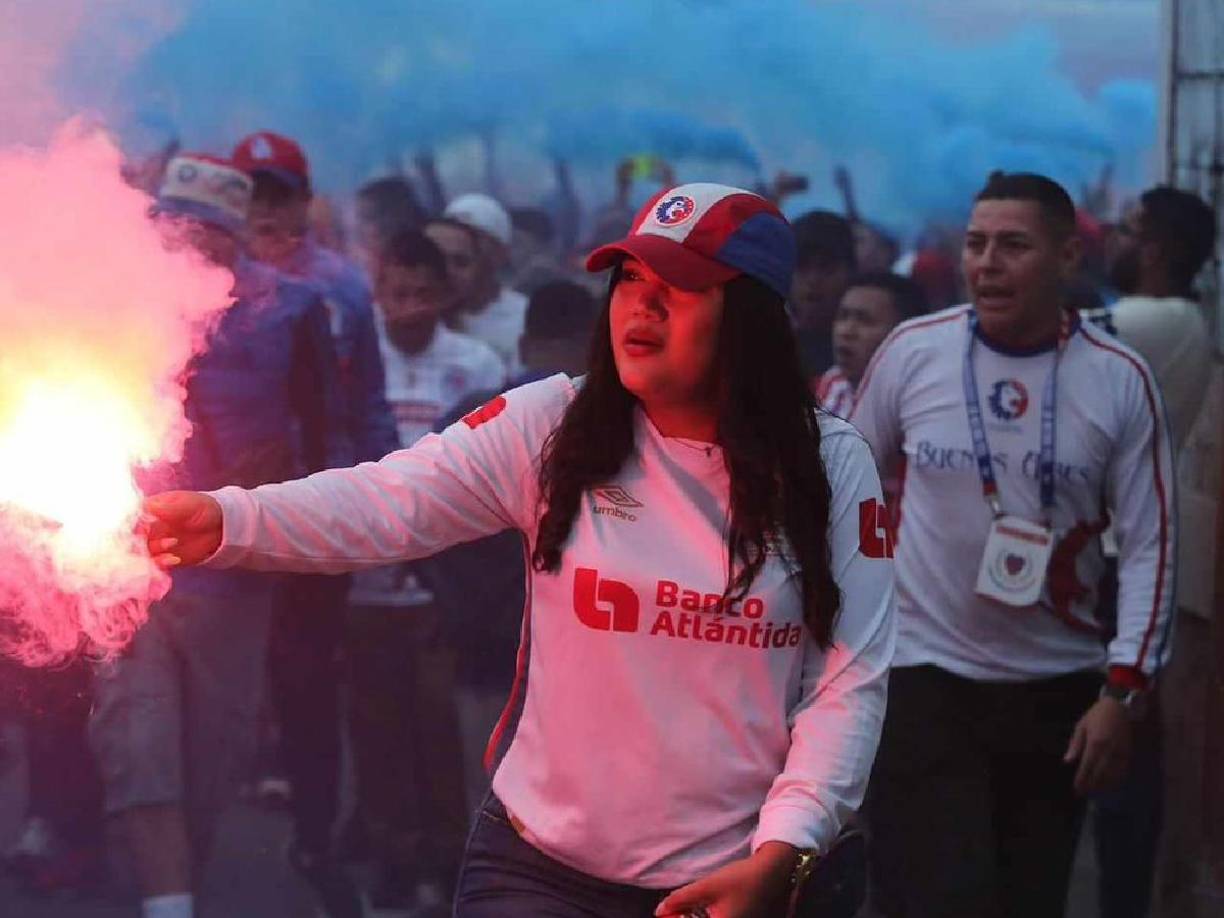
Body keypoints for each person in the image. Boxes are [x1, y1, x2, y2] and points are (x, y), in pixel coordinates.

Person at [143, 182, 896, 918]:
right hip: (537, 873)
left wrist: (784, 854)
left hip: (729, 884)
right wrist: (224, 520)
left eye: (683, 287)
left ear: (754, 321)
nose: (643, 303)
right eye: (631, 278)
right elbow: (388, 501)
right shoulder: (554, 423)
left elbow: (847, 682)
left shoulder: (831, 465)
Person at [852, 172, 1176, 918]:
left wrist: (1123, 694)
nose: (987, 263)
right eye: (976, 244)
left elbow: (1154, 544)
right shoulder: (913, 352)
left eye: (1013, 246)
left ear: (1067, 259)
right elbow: (845, 488)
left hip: (1057, 693)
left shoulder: (1119, 379)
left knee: (1029, 898)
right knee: (940, 894)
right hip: (924, 676)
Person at [90, 153, 343, 918]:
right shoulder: (106, 299)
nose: (185, 246)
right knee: (138, 746)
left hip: (235, 569)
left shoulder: (294, 311)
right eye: (174, 227)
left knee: (212, 757)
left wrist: (325, 548)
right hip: (120, 565)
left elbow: (329, 433)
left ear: (233, 237)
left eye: (204, 233)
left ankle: (177, 889)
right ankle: (168, 903)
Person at [231, 130, 396, 918]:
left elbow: (364, 401)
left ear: (302, 199)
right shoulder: (203, 283)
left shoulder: (340, 289)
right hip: (219, 519)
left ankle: (317, 833)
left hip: (311, 512)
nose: (266, 209)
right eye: (252, 194)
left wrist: (383, 503)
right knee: (231, 674)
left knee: (309, 679)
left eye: (278, 193)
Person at [346, 228, 503, 912]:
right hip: (365, 580)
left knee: (441, 729)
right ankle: (393, 855)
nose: (407, 305)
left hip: (445, 587)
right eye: (394, 292)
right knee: (375, 726)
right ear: (376, 295)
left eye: (420, 292)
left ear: (442, 294)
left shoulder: (477, 365)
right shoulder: (357, 358)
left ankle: (448, 861)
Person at [421, 278, 601, 816]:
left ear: (523, 346)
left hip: (483, 649)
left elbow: (418, 521)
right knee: (571, 808)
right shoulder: (610, 430)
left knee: (492, 806)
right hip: (576, 654)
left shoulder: (474, 420)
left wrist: (455, 610)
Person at [1090, 185, 1218, 918]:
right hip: (1122, 552)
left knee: (1119, 763)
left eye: (1128, 228)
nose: (1114, 236)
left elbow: (1044, 330)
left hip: (1117, 558)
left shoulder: (1156, 319)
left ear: (1157, 250)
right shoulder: (1178, 321)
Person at [425, 193, 528, 372]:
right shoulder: (419, 312)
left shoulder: (524, 316)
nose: (461, 240)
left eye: (477, 237)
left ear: (501, 253)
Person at [814, 272, 928, 417]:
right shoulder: (833, 382)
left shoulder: (921, 403)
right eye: (843, 316)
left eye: (865, 320)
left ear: (903, 332)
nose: (846, 331)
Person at [789, 210, 857, 379]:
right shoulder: (760, 347)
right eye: (802, 267)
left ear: (851, 273)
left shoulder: (866, 352)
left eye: (826, 267)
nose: (813, 280)